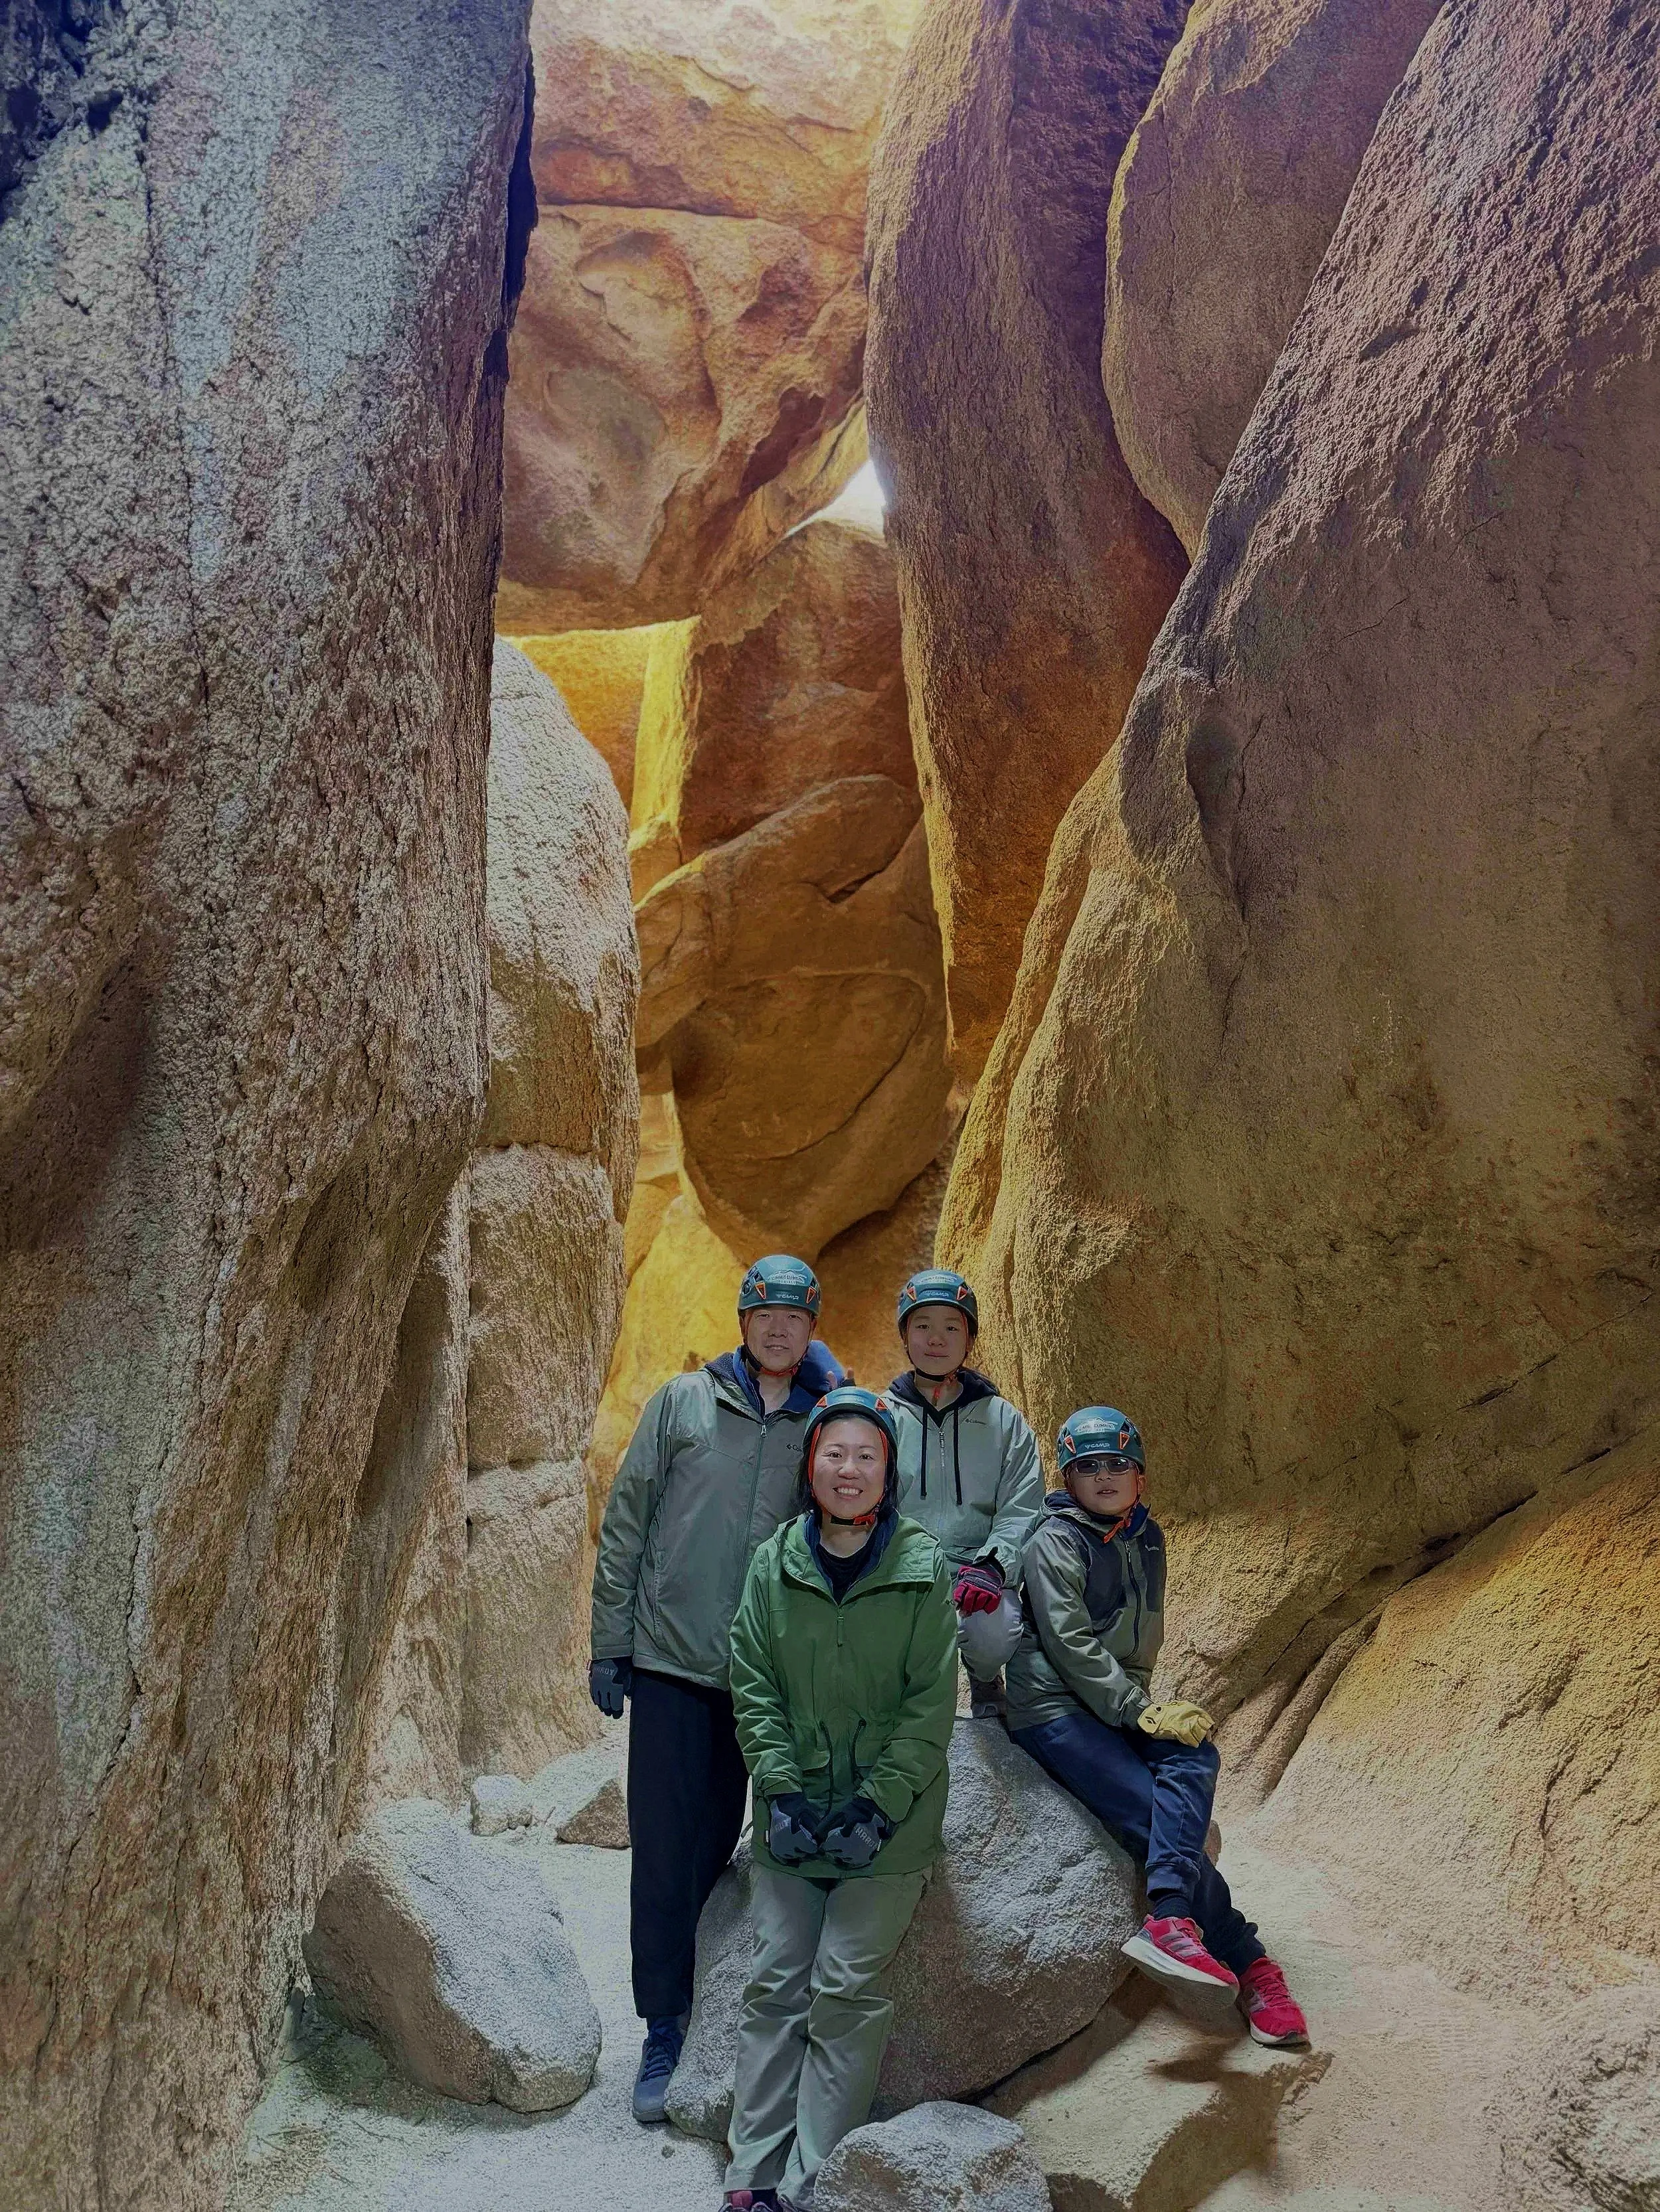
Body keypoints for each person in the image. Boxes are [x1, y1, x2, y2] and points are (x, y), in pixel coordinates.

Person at [590, 1255, 845, 2124]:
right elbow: (628, 1520)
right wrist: (609, 1645)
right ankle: (664, 2026)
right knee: (662, 1854)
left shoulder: (822, 1425)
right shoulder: (684, 1404)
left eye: (794, 1316)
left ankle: (713, 2009)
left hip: (757, 1678)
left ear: (812, 1327)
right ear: (742, 1320)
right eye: (763, 1312)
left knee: (721, 1849)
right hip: (667, 1664)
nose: (778, 1328)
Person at [1006, 1407, 1310, 2049]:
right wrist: (1134, 1709)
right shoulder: (1053, 1538)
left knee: (1195, 1757)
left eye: (1118, 1463)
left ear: (1140, 1475)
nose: (1105, 1476)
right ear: (1070, 1476)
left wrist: (1143, 1707)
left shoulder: (1148, 1537)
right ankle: (1245, 1959)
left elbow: (1140, 1641)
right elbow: (1067, 1643)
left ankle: (1176, 1925)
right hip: (1056, 1707)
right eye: (1088, 1466)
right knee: (1154, 1814)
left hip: (1118, 1700)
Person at [722, 1386, 956, 2211]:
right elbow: (751, 1683)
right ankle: (750, 2170)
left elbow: (931, 1707)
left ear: (887, 1470)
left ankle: (808, 2178)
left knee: (845, 1984)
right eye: (834, 1453)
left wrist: (880, 1805)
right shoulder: (773, 1560)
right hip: (793, 1813)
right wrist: (779, 1788)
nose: (848, 1469)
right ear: (810, 1463)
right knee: (777, 1979)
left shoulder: (924, 1567)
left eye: (866, 1455)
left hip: (886, 1828)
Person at [887, 1269, 1042, 1718]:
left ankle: (985, 1678)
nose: (936, 1339)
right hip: (904, 1567)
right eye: (922, 1326)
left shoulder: (1003, 1420)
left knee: (992, 1633)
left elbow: (1024, 1503)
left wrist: (994, 1564)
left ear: (969, 1338)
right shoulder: (881, 1416)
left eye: (951, 1327)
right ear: (904, 1334)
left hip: (979, 1571)